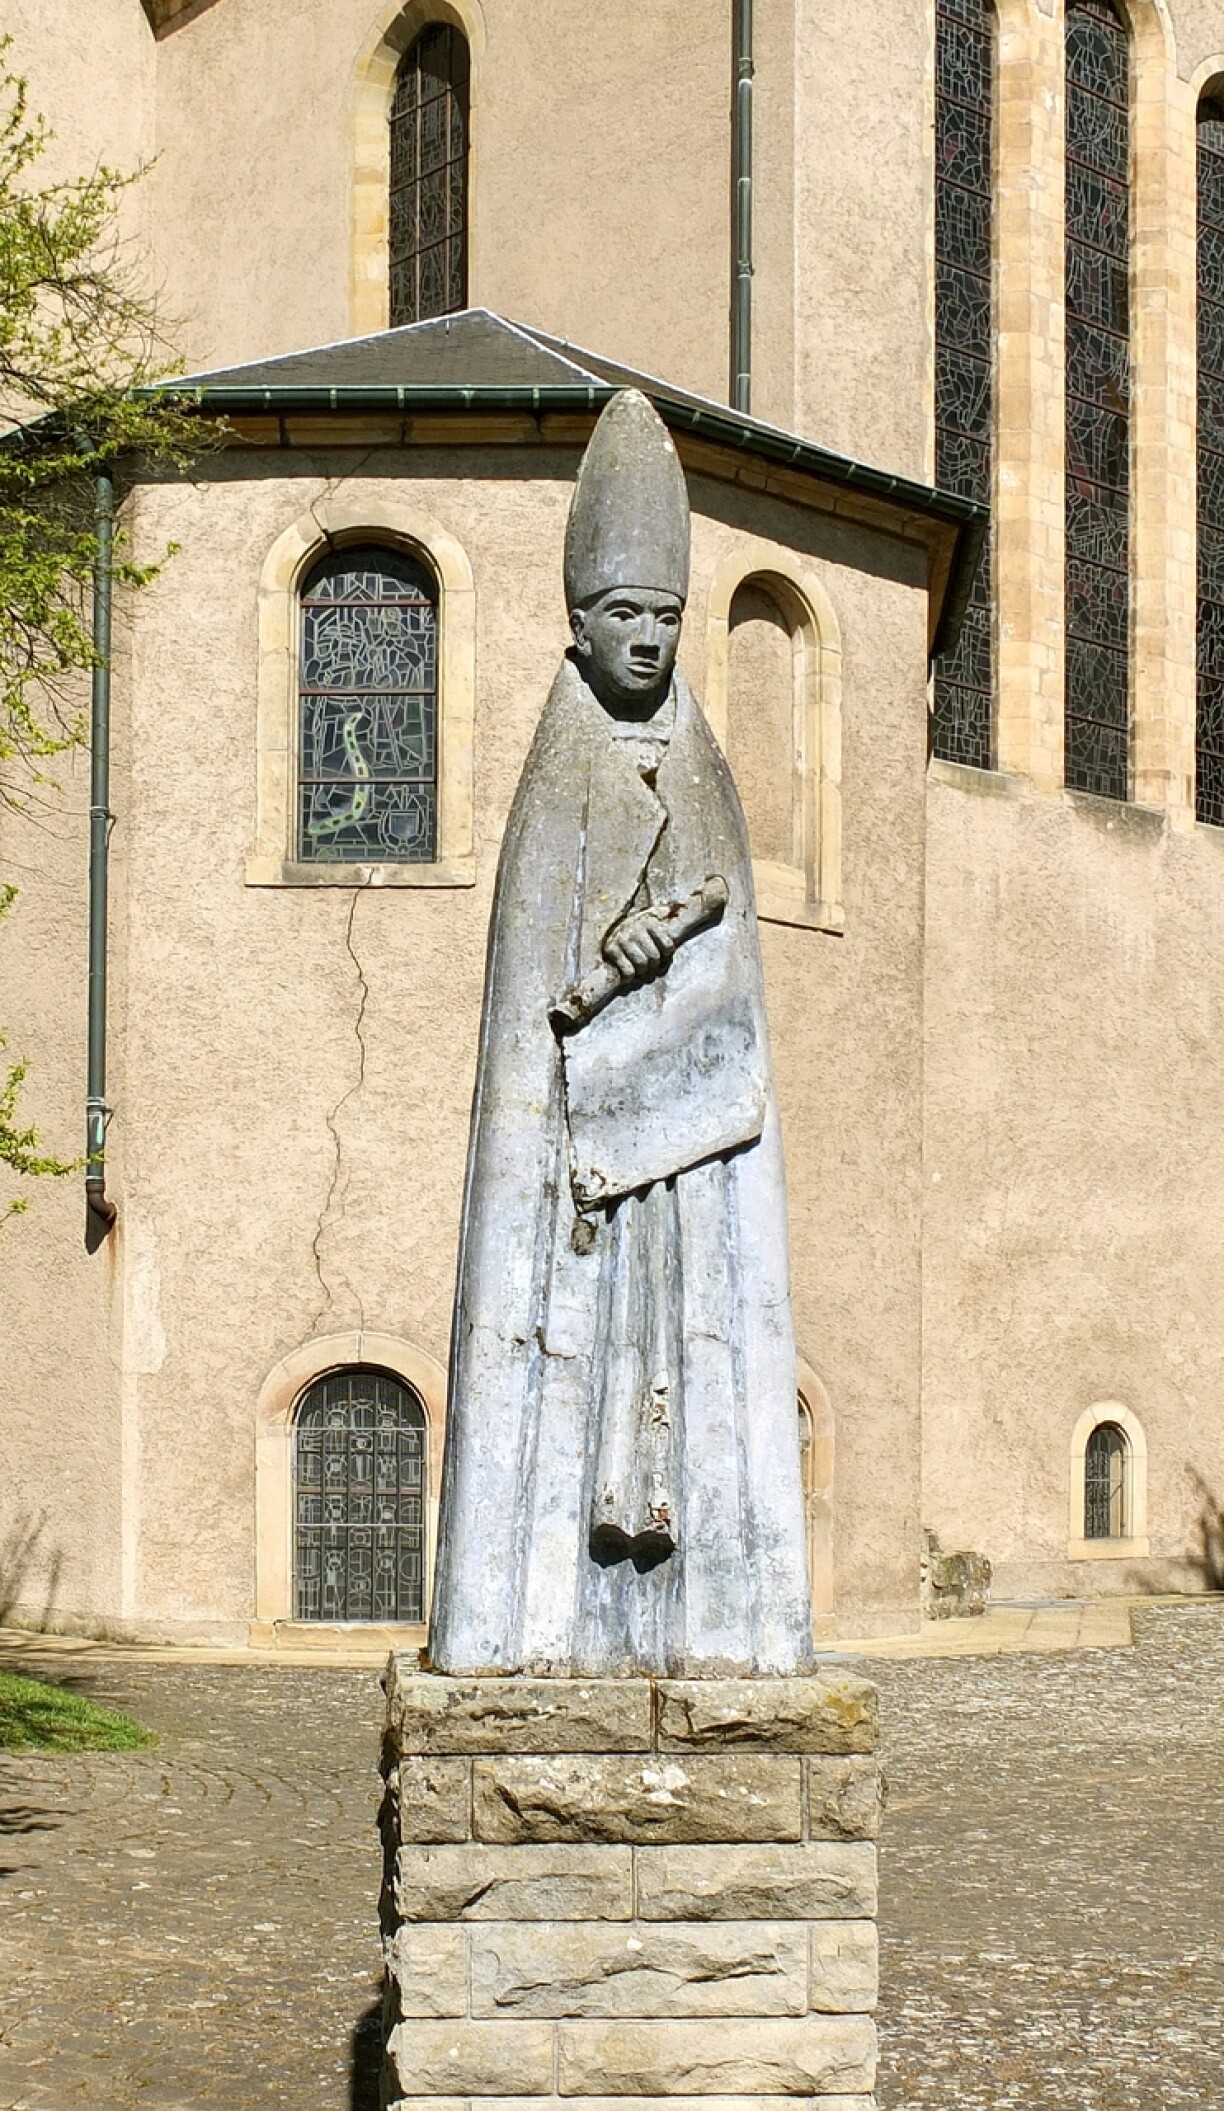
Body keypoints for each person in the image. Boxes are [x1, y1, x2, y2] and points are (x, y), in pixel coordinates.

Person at [428, 389, 813, 1676]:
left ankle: (716, 1617)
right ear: (577, 622)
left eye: (666, 618)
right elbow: (539, 979)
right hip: (577, 1186)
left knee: (693, 1363)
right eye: (622, 616)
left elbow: (733, 955)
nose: (646, 640)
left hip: (689, 1162)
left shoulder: (699, 761)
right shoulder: (560, 773)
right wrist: (609, 961)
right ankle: (527, 1625)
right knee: (571, 1372)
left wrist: (678, 952)